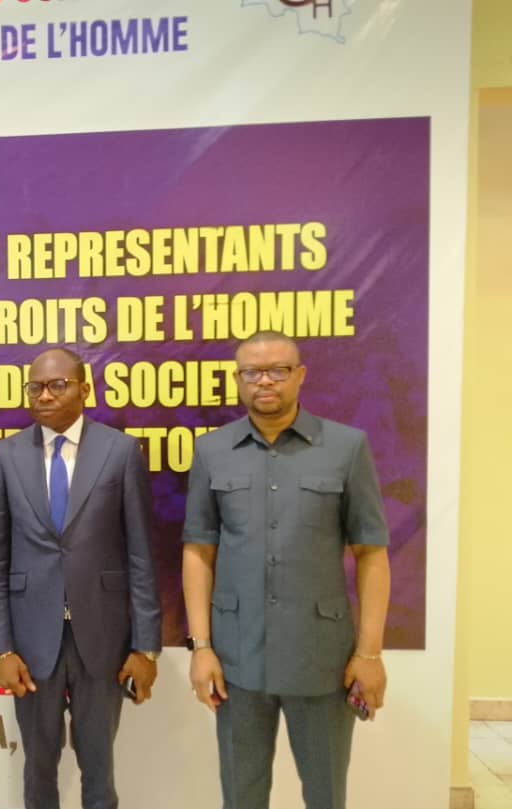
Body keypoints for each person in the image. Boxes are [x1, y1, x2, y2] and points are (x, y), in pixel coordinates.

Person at [182, 330, 391, 809]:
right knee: (241, 795)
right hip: (236, 658)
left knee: (325, 794)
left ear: (300, 376)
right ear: (238, 379)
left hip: (322, 659)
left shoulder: (346, 447)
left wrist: (370, 654)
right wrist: (202, 648)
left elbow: (371, 554)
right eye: (252, 372)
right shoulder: (212, 451)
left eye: (278, 370)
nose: (265, 381)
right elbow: (199, 552)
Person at [0, 346, 161, 809]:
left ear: (84, 390)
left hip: (102, 638)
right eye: (35, 387)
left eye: (57, 385)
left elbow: (141, 555)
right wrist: (1, 648)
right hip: (30, 642)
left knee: (98, 768)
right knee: (38, 768)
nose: (44, 395)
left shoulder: (120, 451)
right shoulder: (5, 455)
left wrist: (145, 647)